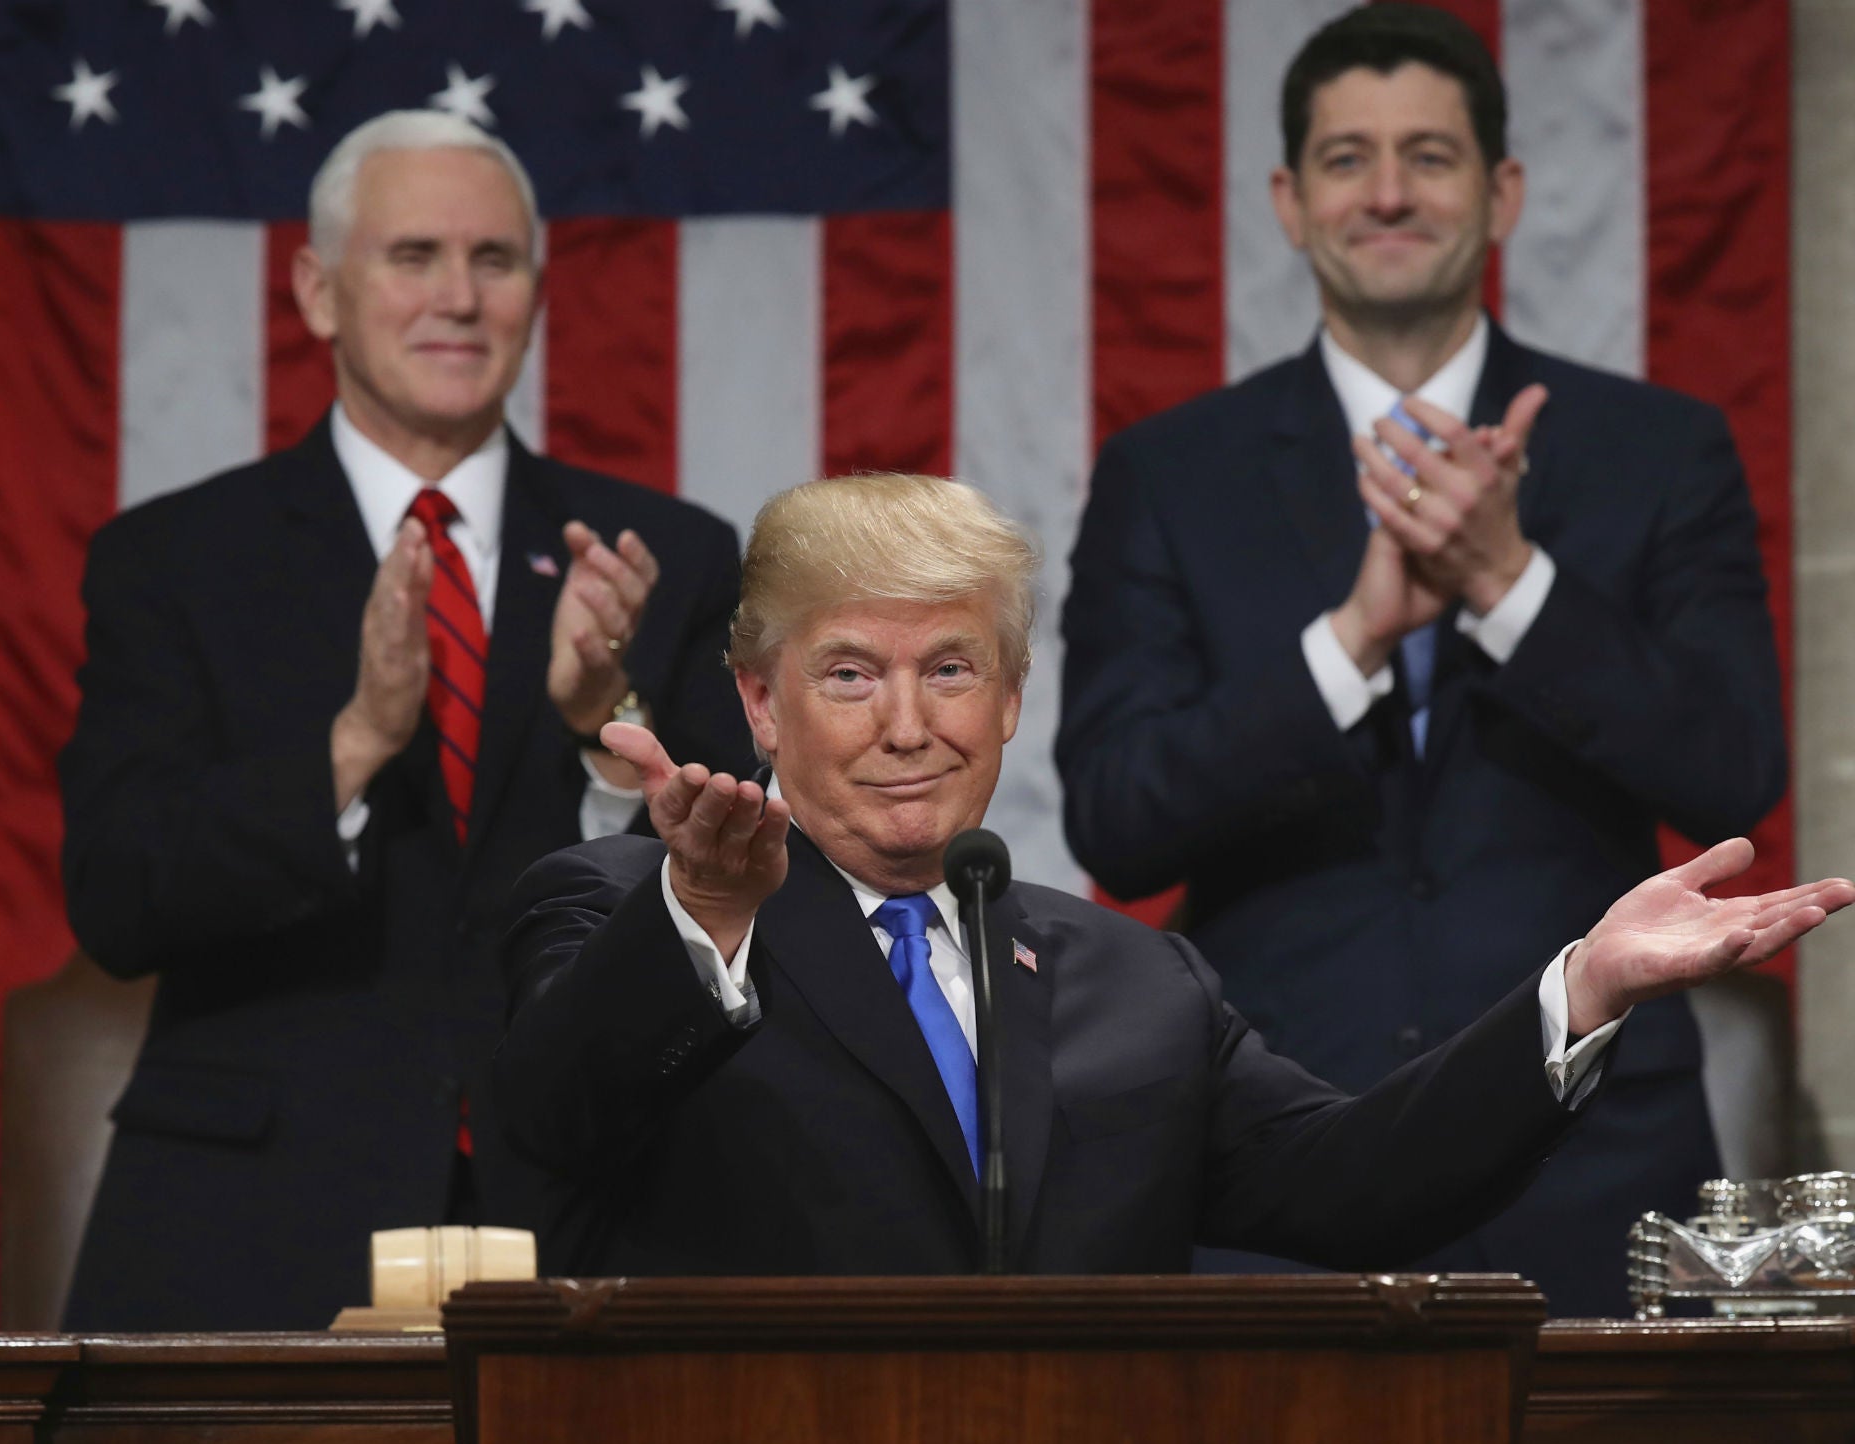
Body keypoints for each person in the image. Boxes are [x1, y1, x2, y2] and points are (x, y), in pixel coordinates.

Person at [491, 475, 1841, 1280]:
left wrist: (1585, 986)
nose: (909, 725)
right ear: (761, 702)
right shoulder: (624, 913)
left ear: (1012, 697)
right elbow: (546, 1130)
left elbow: (1359, 1182)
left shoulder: (1133, 980)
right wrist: (705, 917)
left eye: (951, 669)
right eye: (851, 675)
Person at [1054, 4, 1787, 1314]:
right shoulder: (1171, 474)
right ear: (1288, 200)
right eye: (1347, 159)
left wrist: (1508, 583)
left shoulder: (1657, 449)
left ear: (1501, 193)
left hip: (1592, 1154)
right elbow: (1120, 820)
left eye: (1430, 156)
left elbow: (1732, 773)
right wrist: (1352, 642)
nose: (1388, 193)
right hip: (1271, 1158)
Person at [58, 111, 754, 1328]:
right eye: (413, 256)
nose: (459, 298)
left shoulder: (667, 559)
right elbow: (118, 894)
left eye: (494, 262)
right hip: (255, 1223)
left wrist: (607, 722)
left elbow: (737, 905)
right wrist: (353, 745)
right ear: (320, 292)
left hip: (583, 1210)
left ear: (535, 294)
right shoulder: (173, 560)